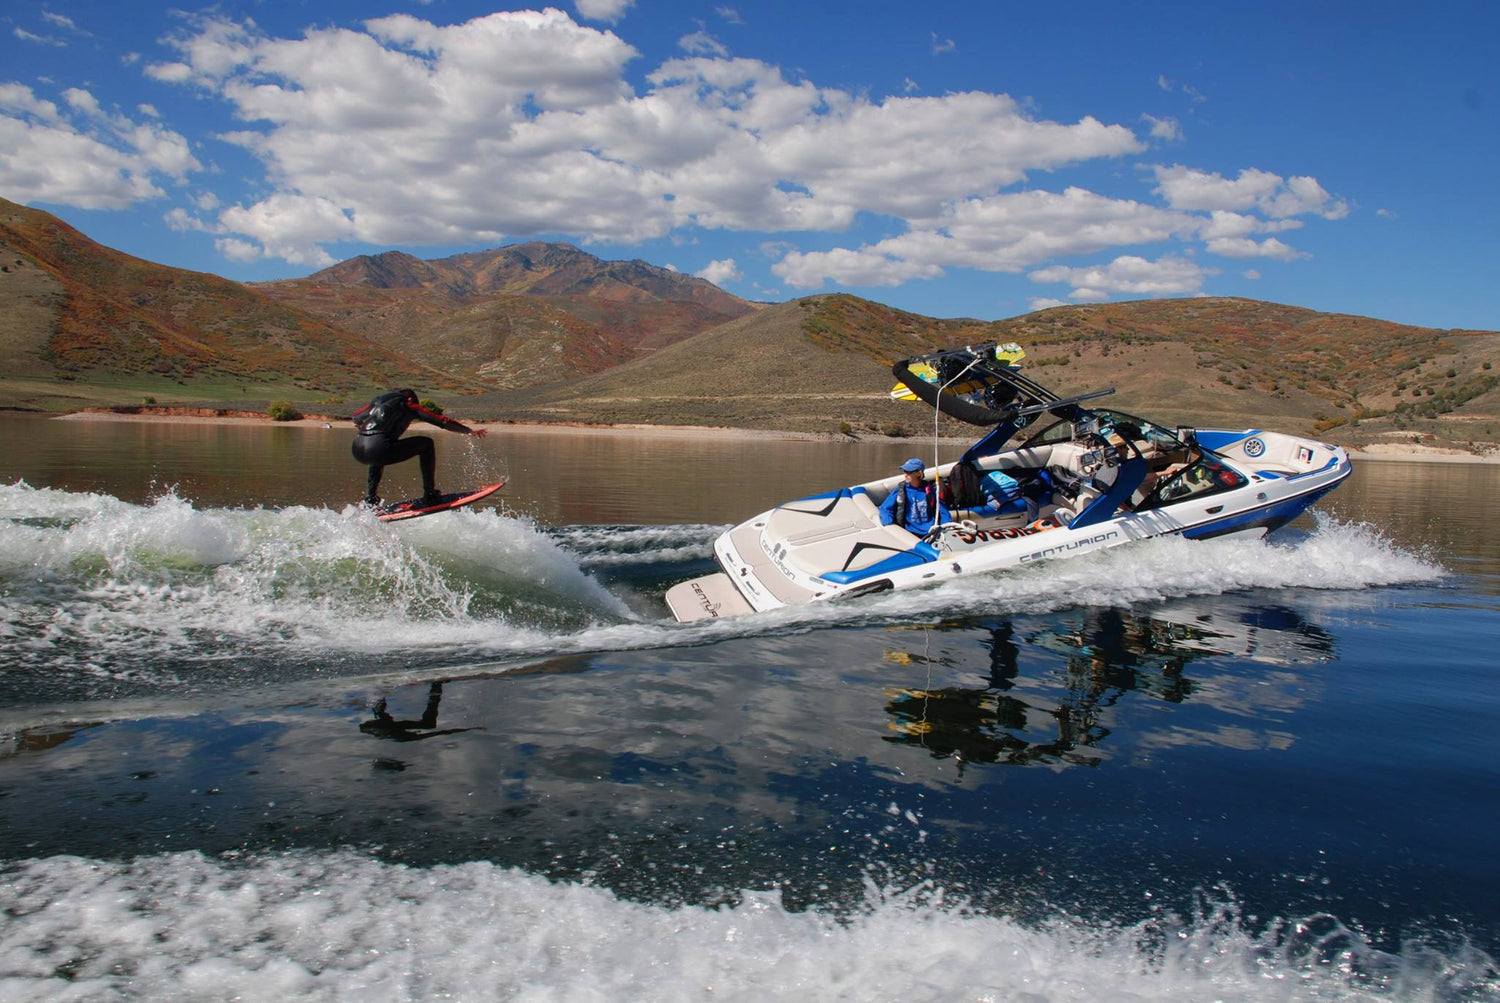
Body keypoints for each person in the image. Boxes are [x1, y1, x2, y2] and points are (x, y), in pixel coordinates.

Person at [351, 389, 487, 506]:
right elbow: (441, 421)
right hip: (377, 448)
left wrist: (361, 427)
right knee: (427, 444)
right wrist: (468, 431)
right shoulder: (408, 404)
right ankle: (430, 495)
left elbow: (356, 417)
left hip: (357, 449)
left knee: (378, 456)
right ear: (410, 399)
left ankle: (370, 499)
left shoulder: (377, 402)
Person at [879, 457, 951, 537]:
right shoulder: (900, 490)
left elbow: (943, 510)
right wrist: (889, 525)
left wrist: (945, 529)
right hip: (909, 533)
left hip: (931, 532)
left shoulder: (929, 490)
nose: (905, 474)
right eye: (904, 471)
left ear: (919, 473)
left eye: (909, 472)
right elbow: (885, 508)